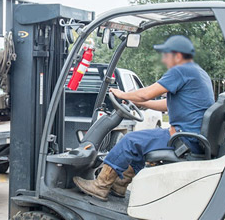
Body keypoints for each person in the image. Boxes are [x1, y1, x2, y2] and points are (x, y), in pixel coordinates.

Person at [74, 35, 215, 201]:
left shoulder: (181, 70)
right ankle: (119, 185)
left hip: (184, 140)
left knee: (131, 140)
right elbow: (167, 105)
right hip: (194, 138)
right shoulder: (198, 71)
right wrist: (144, 104)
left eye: (166, 54)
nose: (164, 59)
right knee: (141, 143)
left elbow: (147, 92)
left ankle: (100, 185)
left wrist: (122, 94)